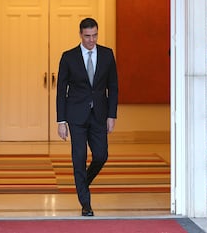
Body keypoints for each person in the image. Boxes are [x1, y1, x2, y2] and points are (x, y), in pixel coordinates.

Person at [56, 18, 118, 216]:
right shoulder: (68, 57)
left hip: (99, 114)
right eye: (87, 36)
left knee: (101, 155)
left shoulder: (107, 55)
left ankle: (82, 183)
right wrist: (61, 121)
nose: (92, 40)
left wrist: (111, 114)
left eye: (95, 35)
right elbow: (61, 91)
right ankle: (86, 204)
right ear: (80, 35)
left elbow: (113, 87)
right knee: (79, 157)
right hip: (76, 116)